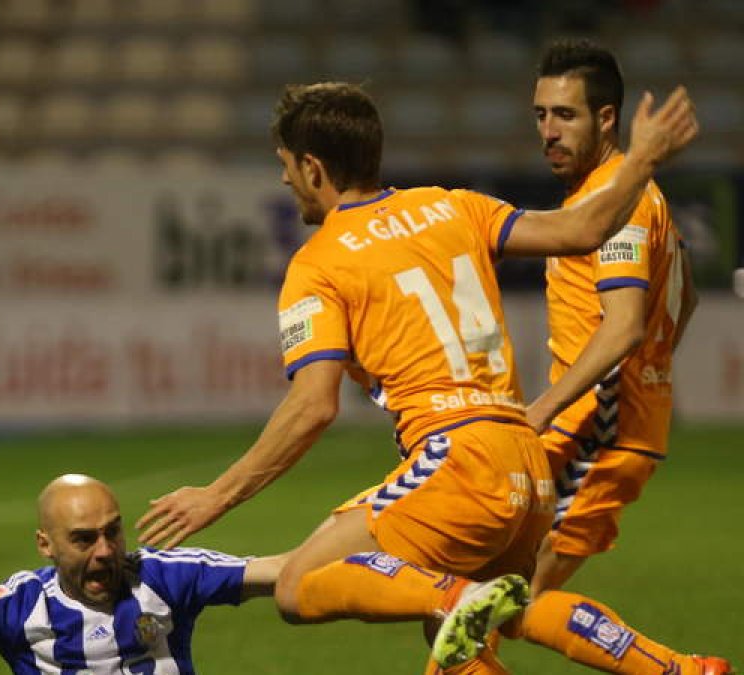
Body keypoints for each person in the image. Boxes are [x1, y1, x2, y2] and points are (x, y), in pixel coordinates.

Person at [136, 83, 729, 673]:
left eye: (286, 165)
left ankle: (455, 595)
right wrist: (643, 160)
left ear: (312, 167)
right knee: (479, 631)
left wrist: (216, 495)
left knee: (301, 585)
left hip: (457, 458)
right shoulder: (454, 205)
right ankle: (680, 670)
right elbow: (580, 231)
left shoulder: (317, 264)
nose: (285, 180)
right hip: (525, 458)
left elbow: (312, 406)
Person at [526, 39, 699, 599]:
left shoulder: (617, 202)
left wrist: (544, 409)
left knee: (489, 606)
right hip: (589, 428)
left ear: (606, 119)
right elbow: (686, 298)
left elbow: (624, 326)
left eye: (565, 115)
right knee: (468, 597)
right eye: (541, 115)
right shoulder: (617, 195)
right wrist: (650, 369)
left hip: (599, 434)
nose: (549, 131)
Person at [0, 474, 286, 672]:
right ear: (45, 545)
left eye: (113, 532)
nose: (106, 551)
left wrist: (351, 523)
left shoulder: (164, 575)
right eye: (84, 539)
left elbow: (284, 571)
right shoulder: (17, 606)